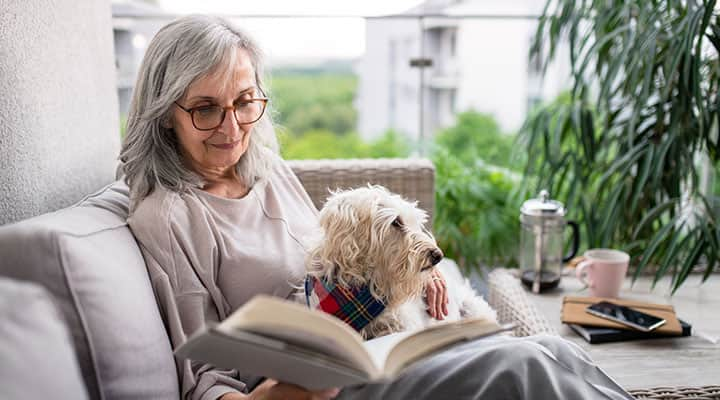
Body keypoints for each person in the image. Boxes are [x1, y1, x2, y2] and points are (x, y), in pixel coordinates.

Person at [120, 15, 634, 400]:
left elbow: (343, 258)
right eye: (207, 109)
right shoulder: (170, 217)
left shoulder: (268, 171)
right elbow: (203, 379)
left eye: (245, 101)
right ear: (166, 116)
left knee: (557, 351)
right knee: (525, 365)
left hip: (375, 347)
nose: (232, 128)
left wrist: (408, 273)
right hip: (324, 389)